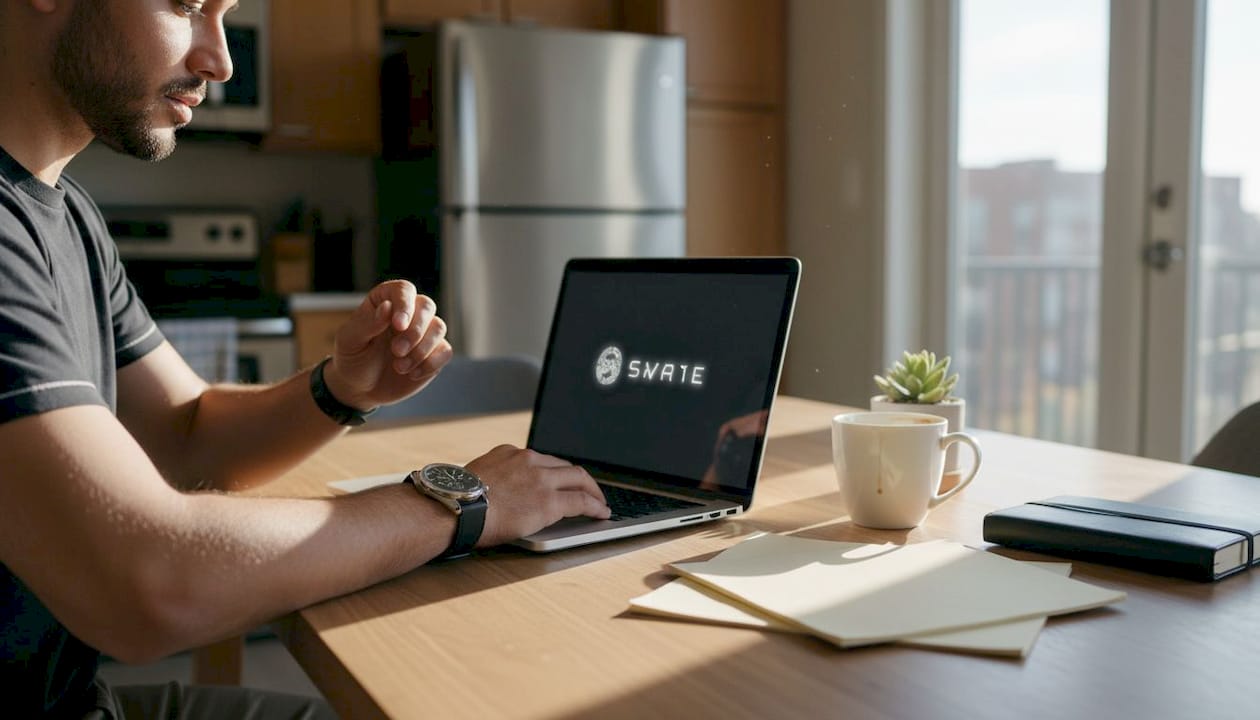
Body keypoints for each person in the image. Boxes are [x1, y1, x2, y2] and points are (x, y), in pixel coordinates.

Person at [0, 1, 611, 717]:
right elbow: (147, 583)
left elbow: (185, 434)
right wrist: (462, 504)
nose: (218, 61)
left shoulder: (65, 214)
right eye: (189, 6)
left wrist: (341, 388)